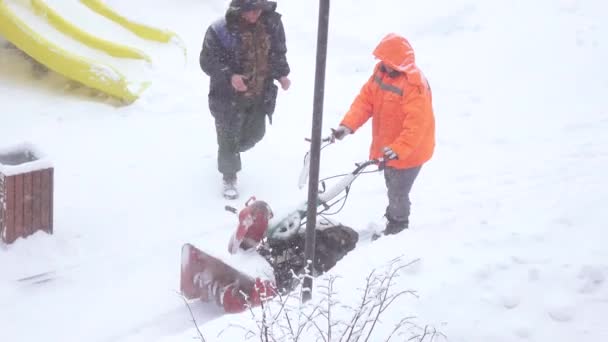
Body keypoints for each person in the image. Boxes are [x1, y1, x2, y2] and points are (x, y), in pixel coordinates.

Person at [332, 33, 435, 235]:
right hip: (389, 149)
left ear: (398, 61)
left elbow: (417, 125)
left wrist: (399, 149)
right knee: (392, 185)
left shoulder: (414, 86)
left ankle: (398, 228)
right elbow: (364, 102)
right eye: (382, 60)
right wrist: (347, 125)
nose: (383, 64)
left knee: (398, 191)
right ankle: (394, 219)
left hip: (410, 153)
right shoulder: (381, 74)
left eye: (387, 61)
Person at [200, 0, 291, 199]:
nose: (254, 15)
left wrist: (281, 74)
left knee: (256, 134)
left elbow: (277, 52)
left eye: (258, 9)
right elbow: (207, 61)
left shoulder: (271, 24)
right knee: (228, 136)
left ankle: (229, 150)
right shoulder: (220, 30)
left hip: (259, 93)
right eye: (249, 10)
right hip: (227, 96)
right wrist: (230, 76)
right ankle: (229, 175)